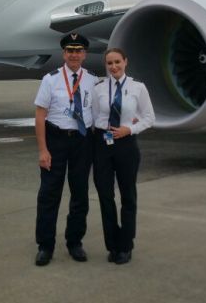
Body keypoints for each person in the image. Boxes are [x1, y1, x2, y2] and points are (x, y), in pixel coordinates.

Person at [33, 32, 98, 266]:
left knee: (80, 194)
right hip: (56, 140)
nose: (74, 55)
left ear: (84, 54)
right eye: (70, 51)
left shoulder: (92, 80)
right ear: (64, 53)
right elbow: (40, 117)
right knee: (49, 194)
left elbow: (98, 113)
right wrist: (43, 150)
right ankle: (45, 245)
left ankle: (75, 242)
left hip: (82, 141)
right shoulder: (50, 80)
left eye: (78, 50)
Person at [91, 47, 155, 264]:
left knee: (128, 196)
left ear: (125, 62)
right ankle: (112, 244)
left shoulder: (138, 87)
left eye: (117, 62)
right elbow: (94, 117)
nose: (114, 67)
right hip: (103, 144)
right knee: (105, 196)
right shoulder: (98, 88)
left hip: (126, 144)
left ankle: (126, 245)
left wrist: (130, 129)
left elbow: (149, 117)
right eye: (109, 63)